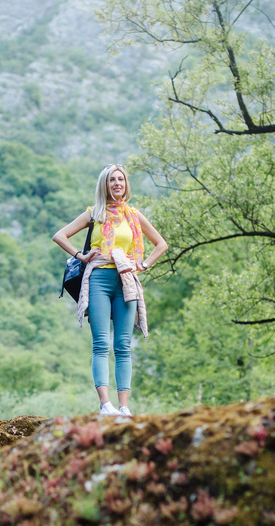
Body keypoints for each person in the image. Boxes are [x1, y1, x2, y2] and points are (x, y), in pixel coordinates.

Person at [52, 164, 168, 416]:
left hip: (126, 280)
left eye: (121, 179)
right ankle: (106, 405)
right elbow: (59, 235)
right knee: (101, 343)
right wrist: (80, 255)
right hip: (99, 280)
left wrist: (144, 263)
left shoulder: (133, 215)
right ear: (104, 185)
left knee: (123, 345)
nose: (117, 183)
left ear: (126, 184)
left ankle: (124, 408)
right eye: (112, 180)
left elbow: (161, 244)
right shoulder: (94, 214)